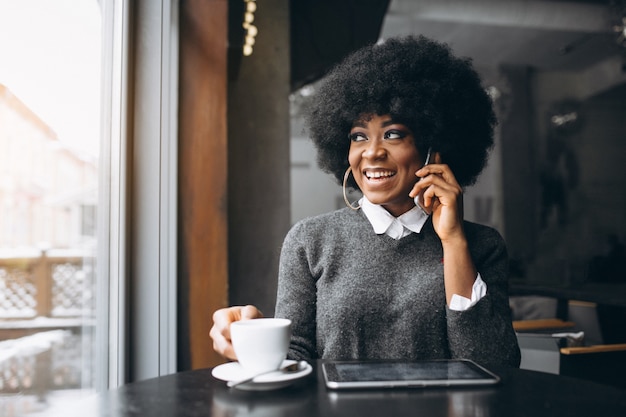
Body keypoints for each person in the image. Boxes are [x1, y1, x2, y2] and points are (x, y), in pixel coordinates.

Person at [210, 35, 521, 369]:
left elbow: (495, 365)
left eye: (393, 134)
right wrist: (250, 341)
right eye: (358, 136)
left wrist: (454, 241)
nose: (371, 152)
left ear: (435, 148)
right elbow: (296, 358)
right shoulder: (310, 241)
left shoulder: (482, 245)